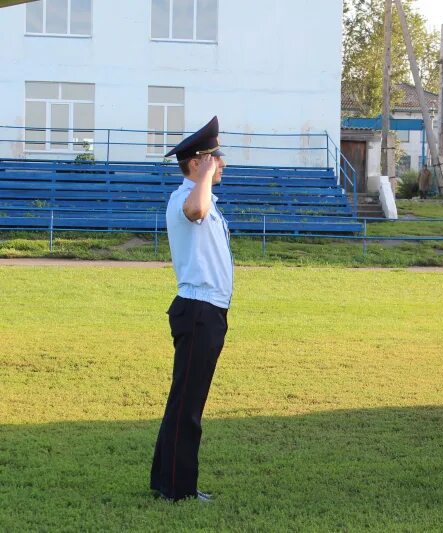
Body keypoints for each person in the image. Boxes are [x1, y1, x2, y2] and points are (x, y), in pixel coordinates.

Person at [150, 116, 233, 502]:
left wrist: (205, 170)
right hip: (198, 310)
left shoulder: (204, 198)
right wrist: (203, 172)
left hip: (208, 312)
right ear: (198, 163)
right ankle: (177, 489)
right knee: (188, 406)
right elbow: (194, 212)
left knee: (183, 399)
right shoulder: (188, 198)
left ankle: (163, 480)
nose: (222, 163)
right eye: (216, 157)